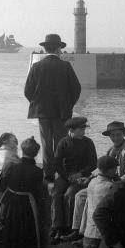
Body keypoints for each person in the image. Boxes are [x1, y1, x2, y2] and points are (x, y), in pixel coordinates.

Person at [24, 34, 81, 181]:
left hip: (42, 112)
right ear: (58, 48)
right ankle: (59, 173)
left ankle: (48, 174)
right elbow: (76, 89)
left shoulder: (36, 66)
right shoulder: (65, 66)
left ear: (44, 48)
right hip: (62, 113)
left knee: (46, 144)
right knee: (60, 143)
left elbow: (28, 91)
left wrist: (37, 103)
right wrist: (68, 105)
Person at [0, 136, 46, 248]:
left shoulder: (11, 166)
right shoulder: (38, 171)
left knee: (7, 229)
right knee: (24, 232)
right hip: (27, 204)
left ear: (22, 150)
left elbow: (2, 183)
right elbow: (37, 192)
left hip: (8, 202)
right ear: (36, 153)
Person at [51, 116, 97, 244]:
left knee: (70, 195)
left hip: (82, 177)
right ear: (71, 130)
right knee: (56, 194)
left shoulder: (88, 143)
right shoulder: (63, 142)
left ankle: (70, 227)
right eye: (81, 129)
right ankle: (57, 227)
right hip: (65, 176)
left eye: (84, 128)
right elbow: (56, 163)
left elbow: (93, 163)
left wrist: (81, 174)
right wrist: (67, 176)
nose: (84, 131)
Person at [79, 156, 119, 248]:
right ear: (110, 170)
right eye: (115, 169)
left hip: (88, 233)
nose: (116, 171)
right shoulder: (110, 187)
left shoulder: (92, 182)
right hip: (100, 236)